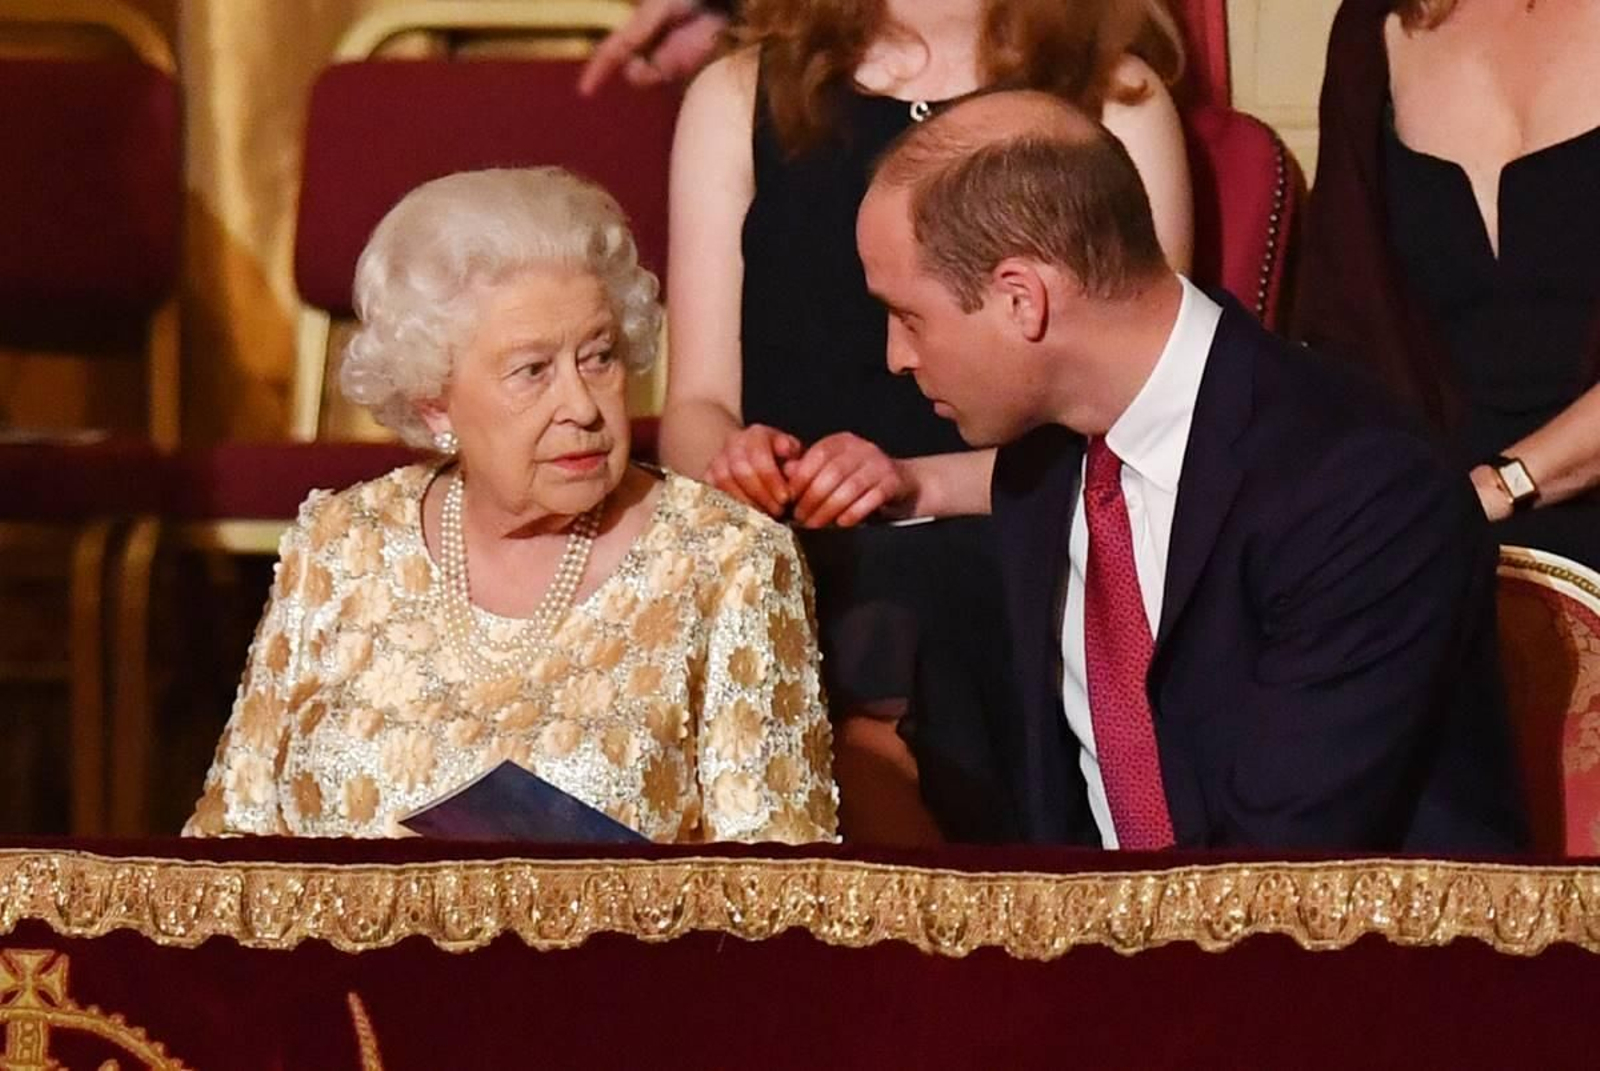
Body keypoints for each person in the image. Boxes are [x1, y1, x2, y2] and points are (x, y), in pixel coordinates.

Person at [856, 89, 1527, 851]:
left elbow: (1281, 867)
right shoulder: (1042, 468)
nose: (896, 356)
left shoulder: (1361, 487)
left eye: (908, 316)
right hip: (1116, 956)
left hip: (1346, 956)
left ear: (1021, 300)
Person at [657, 0, 1192, 842]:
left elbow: (1141, 421)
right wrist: (736, 459)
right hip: (780, 533)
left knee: (910, 619)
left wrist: (916, 483)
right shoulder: (737, 92)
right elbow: (693, 406)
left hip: (1008, 518)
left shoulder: (1114, 96)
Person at [184, 168, 838, 842]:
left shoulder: (730, 560)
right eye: (533, 371)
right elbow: (231, 839)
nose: (582, 406)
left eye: (599, 357)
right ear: (433, 397)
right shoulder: (338, 543)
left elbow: (773, 892)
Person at [1295, 0, 1600, 568]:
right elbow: (1344, 338)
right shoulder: (1373, 29)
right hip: (1425, 513)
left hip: (1489, 505)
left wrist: (1493, 489)